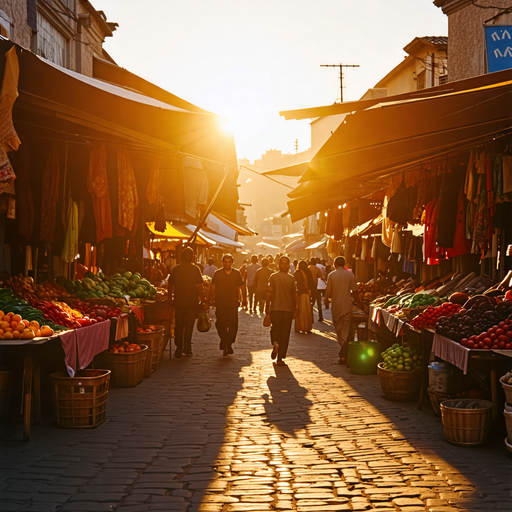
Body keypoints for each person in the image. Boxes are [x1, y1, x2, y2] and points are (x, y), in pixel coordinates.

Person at [168, 247, 206, 358]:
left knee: (179, 325)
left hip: (179, 301)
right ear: (192, 257)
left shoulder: (176, 269)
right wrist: (202, 300)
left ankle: (179, 348)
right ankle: (187, 348)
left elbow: (170, 284)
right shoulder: (195, 269)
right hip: (192, 302)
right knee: (189, 326)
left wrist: (170, 298)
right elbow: (200, 286)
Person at [324, 256, 361, 365]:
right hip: (347, 305)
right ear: (344, 264)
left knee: (339, 329)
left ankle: (343, 355)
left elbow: (328, 291)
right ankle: (344, 354)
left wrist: (326, 300)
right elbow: (355, 290)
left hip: (336, 306)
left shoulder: (331, 275)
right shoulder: (350, 274)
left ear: (335, 263)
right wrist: (359, 303)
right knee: (346, 329)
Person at [207, 254, 247, 356]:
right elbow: (213, 287)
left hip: (233, 303)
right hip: (220, 302)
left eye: (229, 262)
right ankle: (225, 341)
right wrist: (208, 300)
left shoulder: (236, 273)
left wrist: (244, 299)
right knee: (220, 324)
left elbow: (242, 287)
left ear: (232, 262)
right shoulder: (218, 273)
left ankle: (227, 342)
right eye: (225, 262)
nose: (227, 264)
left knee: (233, 324)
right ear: (222, 262)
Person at [265, 256, 298, 366]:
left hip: (275, 308)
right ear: (279, 264)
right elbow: (294, 294)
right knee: (285, 333)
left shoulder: (273, 277)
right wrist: (295, 308)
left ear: (289, 265)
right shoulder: (291, 278)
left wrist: (267, 306)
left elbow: (269, 293)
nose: (284, 265)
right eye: (283, 263)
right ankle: (280, 358)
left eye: (286, 264)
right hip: (287, 310)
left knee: (275, 329)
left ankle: (275, 343)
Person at [294, 260, 314, 333]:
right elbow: (312, 283)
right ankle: (307, 328)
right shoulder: (308, 272)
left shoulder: (297, 273)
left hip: (299, 294)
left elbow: (294, 283)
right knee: (307, 312)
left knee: (300, 311)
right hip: (307, 294)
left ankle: (299, 327)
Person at [308, 257, 324, 322]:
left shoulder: (308, 268)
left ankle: (309, 317)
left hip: (309, 288)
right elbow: (321, 276)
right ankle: (320, 317)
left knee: (310, 304)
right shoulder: (317, 269)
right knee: (319, 303)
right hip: (316, 288)